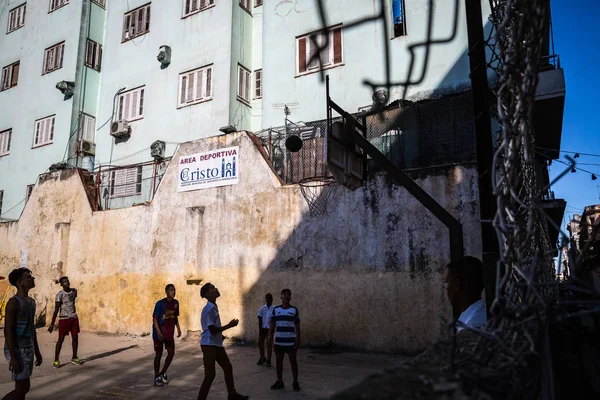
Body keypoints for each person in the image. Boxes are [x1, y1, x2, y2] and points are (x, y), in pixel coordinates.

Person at [197, 283, 249, 400]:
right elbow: (212, 329)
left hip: (215, 343)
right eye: (212, 288)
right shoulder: (209, 308)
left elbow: (213, 329)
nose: (216, 289)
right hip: (208, 344)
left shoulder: (213, 306)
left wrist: (220, 336)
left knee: (227, 367)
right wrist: (229, 326)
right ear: (207, 294)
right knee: (210, 375)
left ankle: (232, 394)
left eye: (215, 287)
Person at [3, 268, 42, 400]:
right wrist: (13, 356)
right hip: (16, 349)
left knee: (22, 389)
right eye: (29, 277)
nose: (33, 279)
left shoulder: (31, 302)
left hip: (28, 348)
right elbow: (8, 330)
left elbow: (32, 328)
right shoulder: (13, 303)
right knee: (22, 388)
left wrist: (37, 350)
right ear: (20, 282)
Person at [269, 288, 301, 392]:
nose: (286, 296)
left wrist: (298, 339)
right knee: (279, 362)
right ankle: (280, 381)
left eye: (288, 294)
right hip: (278, 341)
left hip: (291, 342)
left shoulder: (294, 310)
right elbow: (272, 325)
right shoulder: (276, 310)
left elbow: (297, 326)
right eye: (284, 294)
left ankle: (295, 382)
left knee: (293, 362)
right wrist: (270, 337)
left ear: (290, 297)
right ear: (281, 296)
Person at [445, 256, 487, 332]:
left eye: (448, 282)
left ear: (457, 284)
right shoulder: (479, 317)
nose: (446, 288)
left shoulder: (473, 325)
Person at [152, 284, 182, 387]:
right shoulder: (160, 304)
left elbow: (175, 316)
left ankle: (163, 372)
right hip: (159, 334)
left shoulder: (176, 303)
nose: (173, 292)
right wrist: (159, 333)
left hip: (169, 334)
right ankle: (156, 376)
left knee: (171, 353)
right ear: (166, 292)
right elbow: (155, 319)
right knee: (159, 355)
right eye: (171, 290)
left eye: (174, 290)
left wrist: (178, 328)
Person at [48, 276, 81, 368]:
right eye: (64, 282)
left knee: (75, 337)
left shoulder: (74, 291)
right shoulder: (60, 295)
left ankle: (74, 357)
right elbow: (56, 310)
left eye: (67, 281)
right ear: (61, 285)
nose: (67, 283)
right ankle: (56, 360)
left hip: (73, 318)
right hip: (64, 319)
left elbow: (72, 301)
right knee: (61, 339)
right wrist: (52, 324)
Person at [256, 293, 274, 366]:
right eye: (268, 298)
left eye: (270, 298)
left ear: (272, 299)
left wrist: (272, 329)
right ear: (266, 299)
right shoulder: (262, 308)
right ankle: (262, 357)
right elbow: (260, 319)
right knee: (260, 343)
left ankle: (269, 360)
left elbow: (274, 320)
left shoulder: (274, 309)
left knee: (269, 344)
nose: (269, 300)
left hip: (270, 329)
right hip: (263, 328)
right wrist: (260, 329)